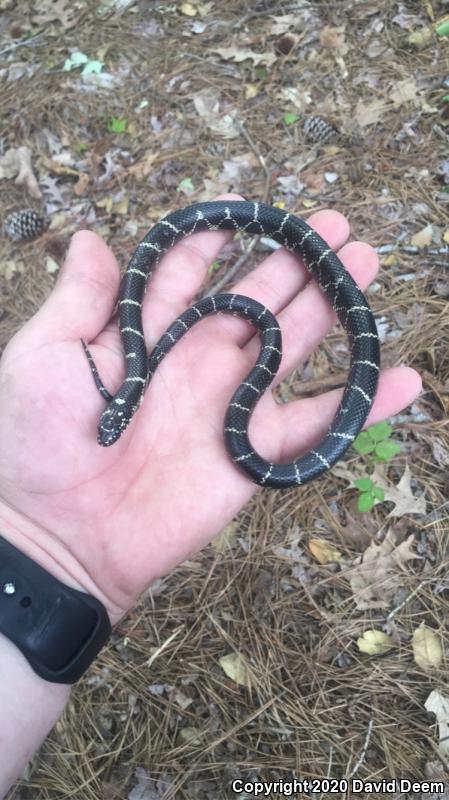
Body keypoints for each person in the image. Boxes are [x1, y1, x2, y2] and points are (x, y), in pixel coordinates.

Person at [0, 194, 421, 795]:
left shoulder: (137, 365)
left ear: (121, 404)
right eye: (111, 425)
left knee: (321, 328)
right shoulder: (130, 376)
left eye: (112, 422)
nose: (107, 433)